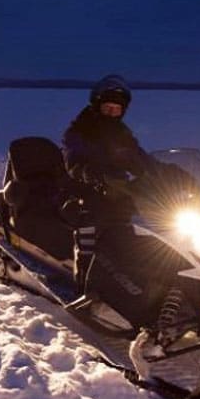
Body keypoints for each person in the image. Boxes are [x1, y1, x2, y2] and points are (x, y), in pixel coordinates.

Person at [61, 74, 152, 293]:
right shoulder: (80, 131)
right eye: (107, 108)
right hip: (83, 190)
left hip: (117, 191)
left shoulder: (122, 134)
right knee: (90, 228)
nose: (112, 113)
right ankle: (83, 282)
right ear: (97, 106)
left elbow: (141, 159)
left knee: (149, 228)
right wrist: (93, 174)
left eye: (116, 110)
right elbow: (73, 161)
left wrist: (172, 174)